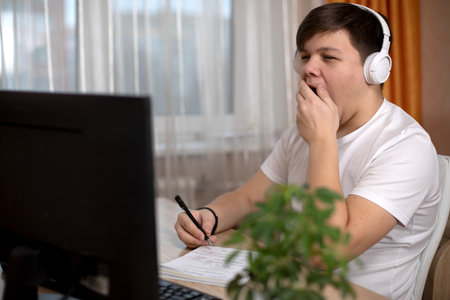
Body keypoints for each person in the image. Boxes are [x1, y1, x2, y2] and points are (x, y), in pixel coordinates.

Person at [174, 3, 440, 300]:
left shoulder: (406, 147)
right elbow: (249, 197)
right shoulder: (304, 132)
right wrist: (209, 215)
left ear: (374, 69)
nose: (308, 68)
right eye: (304, 56)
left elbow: (326, 252)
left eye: (328, 57)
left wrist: (322, 140)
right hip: (291, 287)